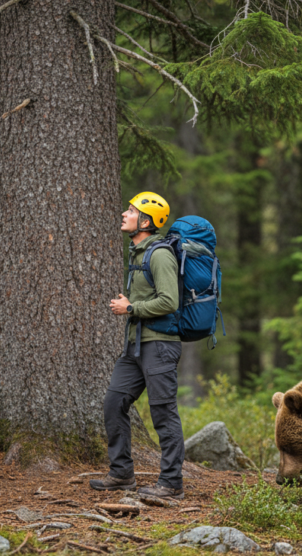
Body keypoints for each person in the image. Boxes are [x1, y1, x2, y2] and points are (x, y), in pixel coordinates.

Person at [90, 192, 185, 499]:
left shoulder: (159, 254)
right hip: (135, 346)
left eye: (130, 211)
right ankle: (121, 475)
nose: (124, 214)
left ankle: (171, 484)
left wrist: (131, 309)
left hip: (160, 346)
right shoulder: (136, 252)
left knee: (163, 413)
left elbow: (170, 301)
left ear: (145, 221)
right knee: (113, 404)